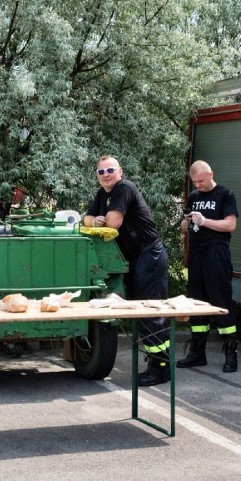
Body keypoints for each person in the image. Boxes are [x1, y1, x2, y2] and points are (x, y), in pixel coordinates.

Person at [84, 155, 171, 386]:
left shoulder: (124, 188)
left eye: (110, 170)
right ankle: (156, 362)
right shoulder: (103, 194)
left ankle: (161, 367)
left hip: (149, 255)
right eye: (101, 172)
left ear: (120, 171)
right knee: (141, 311)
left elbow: (113, 222)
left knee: (151, 312)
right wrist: (95, 221)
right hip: (135, 259)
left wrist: (100, 220)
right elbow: (87, 218)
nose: (106, 175)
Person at [178, 160, 239, 372]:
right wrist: (187, 221)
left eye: (201, 181)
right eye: (194, 182)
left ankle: (231, 352)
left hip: (217, 253)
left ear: (211, 174)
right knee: (196, 302)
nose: (198, 185)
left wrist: (204, 222)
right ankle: (197, 352)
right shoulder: (194, 197)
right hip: (197, 254)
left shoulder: (225, 194)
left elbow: (230, 224)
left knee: (220, 300)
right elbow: (184, 229)